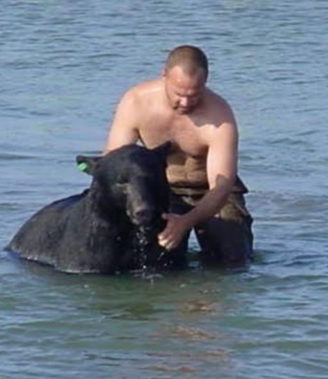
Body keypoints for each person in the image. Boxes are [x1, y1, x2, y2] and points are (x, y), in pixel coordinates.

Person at [103, 45, 253, 265]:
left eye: (194, 95)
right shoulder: (136, 103)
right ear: (164, 76)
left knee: (232, 259)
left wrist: (185, 222)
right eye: (179, 94)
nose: (185, 103)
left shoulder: (220, 116)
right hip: (163, 189)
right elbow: (115, 163)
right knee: (155, 261)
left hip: (212, 193)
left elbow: (222, 185)